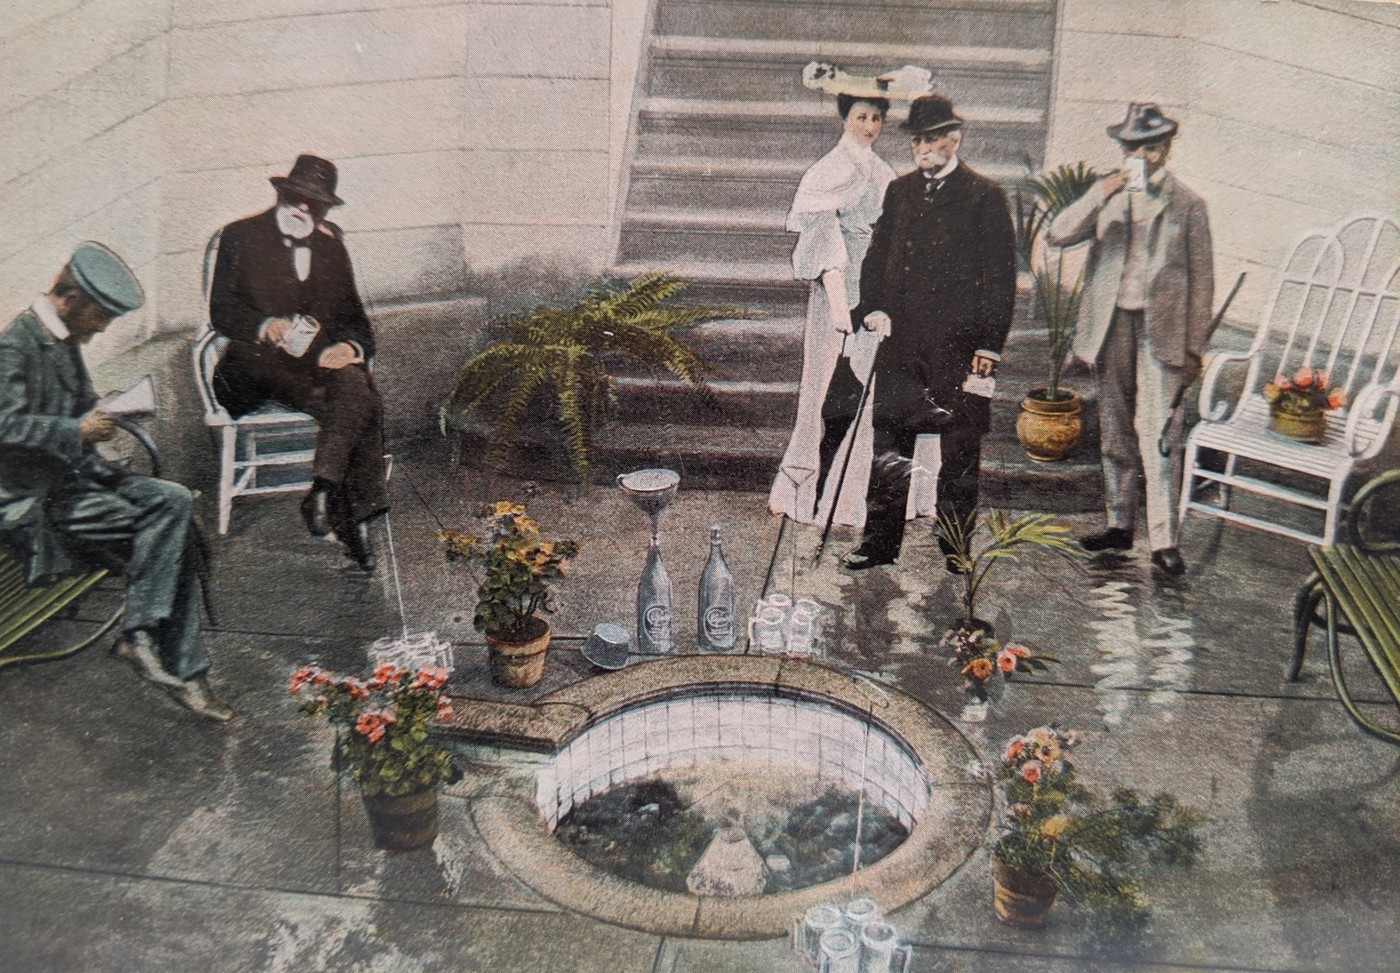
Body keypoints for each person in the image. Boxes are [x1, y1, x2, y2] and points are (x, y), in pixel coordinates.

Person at [0, 243, 233, 721]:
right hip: (36, 499)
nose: (103, 327)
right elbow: (5, 427)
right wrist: (76, 430)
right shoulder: (15, 346)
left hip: (79, 479)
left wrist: (102, 408)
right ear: (71, 300)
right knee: (173, 537)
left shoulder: (62, 339)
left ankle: (139, 634)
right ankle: (183, 670)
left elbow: (78, 404)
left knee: (174, 501)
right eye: (101, 316)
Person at [841, 93, 1017, 571]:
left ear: (954, 139)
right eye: (917, 139)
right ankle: (879, 544)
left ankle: (955, 547)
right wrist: (874, 307)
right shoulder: (900, 192)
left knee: (959, 448)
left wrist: (989, 345)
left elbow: (1000, 279)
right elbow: (876, 258)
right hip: (902, 344)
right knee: (889, 443)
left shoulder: (984, 196)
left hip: (961, 348)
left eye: (933, 138)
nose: (923, 147)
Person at [1047, 103, 1215, 577]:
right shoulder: (1109, 195)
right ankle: (1119, 524)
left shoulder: (1188, 204)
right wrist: (1099, 192)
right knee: (1116, 426)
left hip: (1163, 330)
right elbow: (1058, 233)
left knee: (1160, 431)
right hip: (1111, 323)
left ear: (1166, 149)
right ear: (1123, 150)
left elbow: (1203, 283)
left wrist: (1195, 347)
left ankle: (1163, 540)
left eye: (1152, 147)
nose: (1143, 156)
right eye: (1134, 148)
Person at [769, 79, 938, 528]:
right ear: (845, 118)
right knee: (827, 385)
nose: (869, 126)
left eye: (877, 118)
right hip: (839, 286)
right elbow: (824, 240)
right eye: (861, 116)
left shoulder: (882, 170)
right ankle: (809, 495)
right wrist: (842, 307)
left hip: (876, 282)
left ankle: (857, 498)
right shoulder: (830, 169)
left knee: (874, 388)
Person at [208, 154, 387, 571]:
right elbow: (221, 310)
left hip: (307, 368)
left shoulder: (331, 248)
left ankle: (322, 490)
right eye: (296, 197)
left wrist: (351, 349)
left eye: (316, 204)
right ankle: (353, 523)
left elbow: (356, 321)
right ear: (281, 194)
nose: (304, 208)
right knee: (362, 405)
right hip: (251, 368)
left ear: (325, 210)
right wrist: (263, 325)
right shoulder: (240, 236)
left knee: (356, 389)